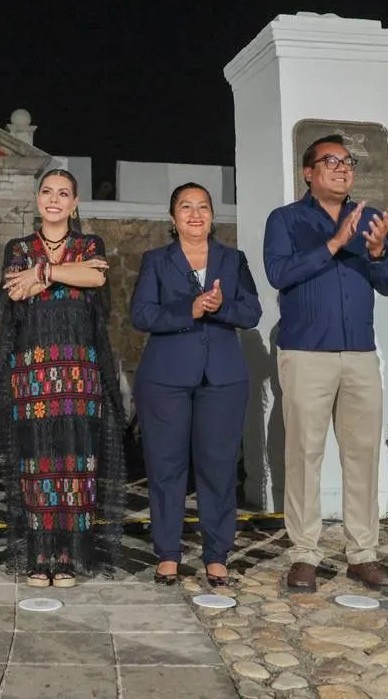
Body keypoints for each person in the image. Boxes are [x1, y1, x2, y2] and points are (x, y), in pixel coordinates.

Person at [263, 134, 388, 594]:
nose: (343, 169)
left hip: (360, 355)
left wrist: (378, 251)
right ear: (308, 172)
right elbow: (278, 273)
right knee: (304, 454)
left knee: (361, 455)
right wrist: (334, 244)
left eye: (348, 162)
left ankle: (362, 553)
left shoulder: (371, 221)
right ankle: (305, 553)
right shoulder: (285, 220)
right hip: (306, 354)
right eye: (331, 161)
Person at [0, 169, 127, 587]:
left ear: (75, 202)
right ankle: (39, 555)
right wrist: (66, 271)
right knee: (36, 466)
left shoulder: (90, 245)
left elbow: (96, 276)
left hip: (80, 376)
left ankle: (66, 556)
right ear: (37, 200)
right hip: (31, 377)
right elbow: (16, 290)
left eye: (63, 193)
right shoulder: (19, 247)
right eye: (47, 192)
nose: (54, 199)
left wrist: (43, 273)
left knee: (76, 466)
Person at [131, 183, 262, 587]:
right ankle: (168, 553)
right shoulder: (156, 260)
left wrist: (221, 308)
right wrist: (188, 309)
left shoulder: (232, 259)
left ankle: (217, 553)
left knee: (219, 467)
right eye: (185, 207)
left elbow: (252, 311)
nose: (194, 214)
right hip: (166, 377)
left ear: (212, 216)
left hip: (222, 377)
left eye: (202, 207)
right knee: (166, 467)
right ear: (172, 218)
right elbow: (142, 314)